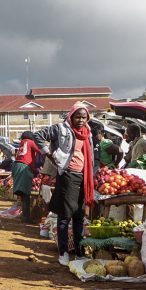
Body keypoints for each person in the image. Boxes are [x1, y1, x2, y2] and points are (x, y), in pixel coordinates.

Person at [33, 105, 96, 266]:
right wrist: (49, 153)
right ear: (71, 117)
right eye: (77, 117)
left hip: (83, 177)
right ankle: (63, 252)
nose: (81, 120)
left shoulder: (88, 132)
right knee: (64, 216)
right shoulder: (61, 129)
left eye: (83, 117)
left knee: (79, 217)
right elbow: (38, 135)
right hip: (67, 176)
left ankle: (80, 253)